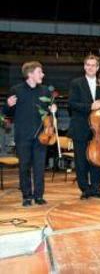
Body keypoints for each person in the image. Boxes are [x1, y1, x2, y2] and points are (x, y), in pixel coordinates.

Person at [3, 61, 57, 206]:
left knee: (39, 168)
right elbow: (7, 113)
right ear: (30, 74)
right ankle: (27, 196)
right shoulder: (16, 90)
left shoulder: (45, 91)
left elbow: (48, 114)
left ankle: (39, 196)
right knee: (24, 167)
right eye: (40, 72)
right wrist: (8, 105)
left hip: (41, 136)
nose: (43, 74)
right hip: (23, 136)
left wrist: (52, 109)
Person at [68, 54, 100, 199]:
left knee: (98, 159)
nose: (90, 67)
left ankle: (96, 187)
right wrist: (90, 106)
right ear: (84, 66)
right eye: (88, 65)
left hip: (98, 130)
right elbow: (72, 104)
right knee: (81, 160)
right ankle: (85, 188)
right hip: (81, 127)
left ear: (98, 68)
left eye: (93, 65)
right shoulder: (76, 83)